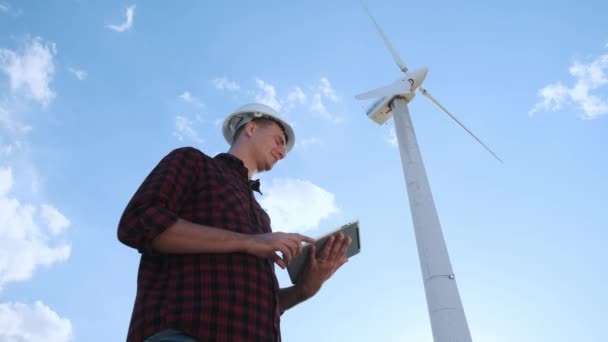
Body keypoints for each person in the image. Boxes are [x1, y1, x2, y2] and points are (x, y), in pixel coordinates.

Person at [117, 103, 352, 342]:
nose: (283, 152)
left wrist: (304, 290)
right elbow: (138, 222)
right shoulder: (193, 161)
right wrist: (249, 241)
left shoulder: (261, 216)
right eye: (279, 140)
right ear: (251, 128)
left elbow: (257, 304)